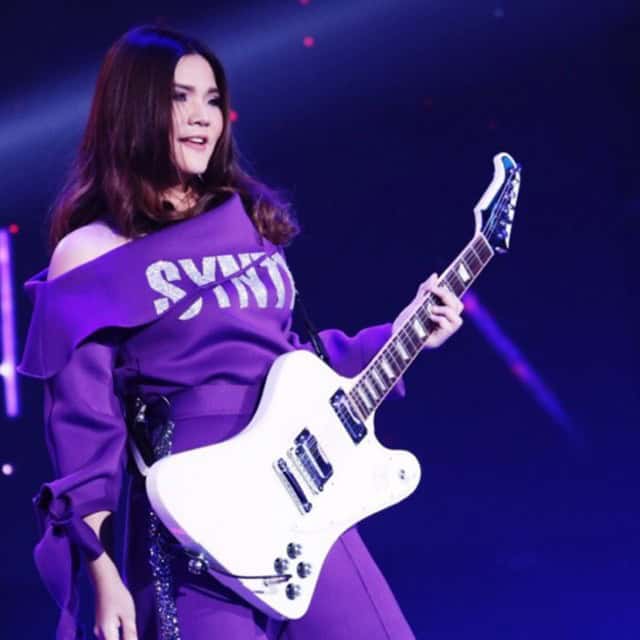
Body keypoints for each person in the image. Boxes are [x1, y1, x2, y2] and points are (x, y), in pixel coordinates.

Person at [18, 25, 464, 640]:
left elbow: (298, 363)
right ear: (134, 108)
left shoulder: (247, 224)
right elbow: (85, 429)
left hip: (303, 499)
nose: (203, 116)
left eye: (211, 99)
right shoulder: (90, 252)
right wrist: (102, 572)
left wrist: (406, 331)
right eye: (179, 98)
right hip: (193, 520)